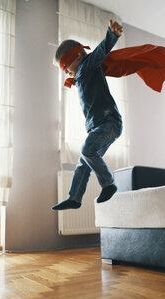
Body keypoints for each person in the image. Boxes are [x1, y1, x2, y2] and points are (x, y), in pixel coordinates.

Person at [52, 20, 123, 210]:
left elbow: (101, 51)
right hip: (98, 126)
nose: (66, 71)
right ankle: (74, 198)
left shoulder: (89, 64)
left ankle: (108, 184)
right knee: (83, 164)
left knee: (87, 151)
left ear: (77, 57)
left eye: (65, 66)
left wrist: (112, 35)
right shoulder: (82, 74)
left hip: (109, 123)